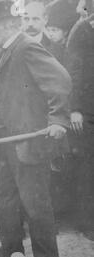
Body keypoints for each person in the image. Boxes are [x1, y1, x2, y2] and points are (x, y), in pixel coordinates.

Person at [0, 1, 71, 257]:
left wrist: (58, 119)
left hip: (29, 143)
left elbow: (61, 80)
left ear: (5, 25)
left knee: (36, 205)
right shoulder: (4, 50)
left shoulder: (26, 46)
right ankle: (10, 252)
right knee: (5, 201)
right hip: (8, 142)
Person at [66, 5, 94, 241]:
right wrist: (74, 108)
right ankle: (87, 221)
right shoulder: (82, 29)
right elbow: (73, 71)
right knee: (88, 166)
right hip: (87, 109)